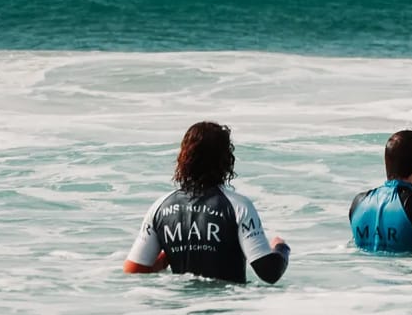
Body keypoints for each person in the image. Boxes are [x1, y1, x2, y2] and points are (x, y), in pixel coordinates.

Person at [123, 121, 290, 284]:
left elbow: (133, 270)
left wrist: (167, 257)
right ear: (226, 159)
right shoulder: (238, 206)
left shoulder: (160, 207)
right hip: (229, 301)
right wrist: (281, 248)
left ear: (183, 158)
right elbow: (269, 272)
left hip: (178, 302)